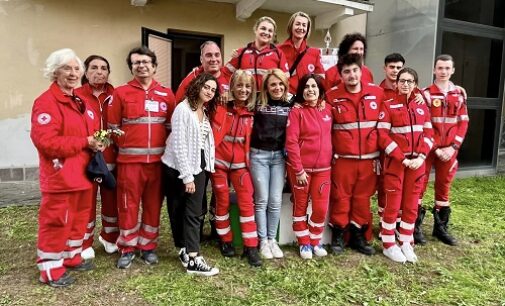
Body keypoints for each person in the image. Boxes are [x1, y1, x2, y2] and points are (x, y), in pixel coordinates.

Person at [31, 48, 103, 287]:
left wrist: (96, 142)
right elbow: (46, 142)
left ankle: (71, 257)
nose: (73, 73)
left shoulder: (78, 100)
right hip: (60, 176)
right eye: (66, 68)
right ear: (55, 72)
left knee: (78, 221)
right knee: (56, 222)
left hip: (82, 174)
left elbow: (86, 133)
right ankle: (50, 268)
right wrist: (85, 142)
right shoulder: (46, 102)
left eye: (76, 69)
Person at [108, 46, 176, 269]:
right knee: (128, 206)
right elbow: (113, 129)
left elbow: (171, 129)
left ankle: (148, 247)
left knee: (153, 206)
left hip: (157, 164)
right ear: (131, 68)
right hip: (129, 164)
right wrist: (128, 148)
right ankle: (127, 247)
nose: (141, 65)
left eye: (146, 62)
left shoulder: (167, 94)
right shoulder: (120, 93)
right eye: (136, 62)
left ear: (154, 67)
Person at [162, 73, 220, 276]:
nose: (209, 92)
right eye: (207, 87)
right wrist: (187, 177)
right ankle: (186, 252)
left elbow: (204, 143)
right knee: (177, 209)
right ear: (197, 85)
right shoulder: (182, 110)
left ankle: (193, 255)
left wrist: (206, 166)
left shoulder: (204, 110)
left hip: (198, 165)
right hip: (177, 168)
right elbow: (178, 145)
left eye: (213, 90)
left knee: (194, 212)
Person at [325, 53, 383, 256]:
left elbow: (401, 96)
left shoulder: (377, 93)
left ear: (362, 70)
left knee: (362, 199)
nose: (351, 75)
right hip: (343, 160)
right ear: (340, 75)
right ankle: (339, 236)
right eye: (346, 72)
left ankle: (358, 236)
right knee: (341, 198)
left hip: (369, 160)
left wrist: (419, 93)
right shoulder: (331, 96)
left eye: (355, 70)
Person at [377, 67, 433, 263]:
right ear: (397, 83)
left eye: (410, 81)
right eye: (402, 80)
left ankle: (406, 241)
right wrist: (402, 158)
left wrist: (421, 158)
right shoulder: (388, 105)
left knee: (411, 205)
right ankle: (388, 244)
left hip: (417, 164)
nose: (406, 84)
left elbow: (429, 135)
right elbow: (382, 136)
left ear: (415, 85)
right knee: (392, 204)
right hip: (396, 163)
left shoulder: (422, 107)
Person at [210, 70, 261, 267]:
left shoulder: (254, 112)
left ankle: (251, 247)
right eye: (239, 85)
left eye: (247, 86)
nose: (243, 90)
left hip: (242, 167)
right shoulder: (220, 106)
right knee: (222, 201)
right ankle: (226, 240)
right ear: (231, 87)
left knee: (247, 203)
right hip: (219, 165)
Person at [418, 54, 469, 246]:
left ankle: (441, 229)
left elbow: (463, 122)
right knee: (419, 185)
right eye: (440, 68)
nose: (443, 72)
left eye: (447, 68)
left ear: (453, 70)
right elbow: (424, 122)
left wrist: (453, 147)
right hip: (429, 149)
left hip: (450, 151)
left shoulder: (459, 94)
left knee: (443, 188)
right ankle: (415, 228)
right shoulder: (425, 94)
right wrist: (435, 147)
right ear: (434, 70)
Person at [285, 74, 332, 259]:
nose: (310, 90)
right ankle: (304, 242)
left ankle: (315, 240)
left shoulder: (328, 109)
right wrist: (298, 169)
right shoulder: (296, 112)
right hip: (300, 170)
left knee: (320, 209)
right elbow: (291, 142)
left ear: (320, 90)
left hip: (323, 169)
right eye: (306, 87)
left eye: (314, 86)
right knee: (300, 206)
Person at [75, 55, 118, 260]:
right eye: (94, 67)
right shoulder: (76, 96)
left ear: (109, 72)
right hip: (86, 159)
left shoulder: (116, 95)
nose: (99, 71)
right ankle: (84, 242)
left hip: (111, 158)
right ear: (85, 71)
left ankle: (110, 237)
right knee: (86, 202)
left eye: (104, 68)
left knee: (112, 200)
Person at [251, 69, 292, 259]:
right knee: (262, 200)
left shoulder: (291, 102)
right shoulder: (257, 102)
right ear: (266, 86)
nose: (277, 87)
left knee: (275, 201)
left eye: (280, 84)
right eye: (273, 84)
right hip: (258, 155)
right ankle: (262, 242)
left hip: (279, 158)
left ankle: (272, 239)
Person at [223, 16, 289, 91]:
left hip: (268, 100)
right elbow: (225, 73)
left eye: (270, 31)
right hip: (247, 99)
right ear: (255, 29)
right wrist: (228, 90)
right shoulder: (241, 52)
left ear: (273, 34)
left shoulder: (278, 54)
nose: (266, 32)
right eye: (263, 28)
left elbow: (285, 79)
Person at [277, 11, 325, 94]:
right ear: (291, 26)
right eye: (297, 24)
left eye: (304, 25)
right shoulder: (278, 50)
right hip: (285, 100)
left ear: (307, 29)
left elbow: (321, 79)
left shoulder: (315, 52)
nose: (301, 27)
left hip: (307, 100)